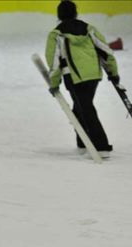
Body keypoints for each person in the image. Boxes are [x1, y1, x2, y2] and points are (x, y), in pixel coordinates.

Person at [45, 0, 119, 157]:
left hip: (74, 77)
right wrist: (113, 72)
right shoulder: (89, 29)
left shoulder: (56, 34)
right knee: (80, 108)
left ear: (58, 15)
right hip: (93, 76)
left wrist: (54, 83)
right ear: (75, 13)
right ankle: (83, 143)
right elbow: (105, 51)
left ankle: (101, 147)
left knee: (86, 109)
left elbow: (54, 62)